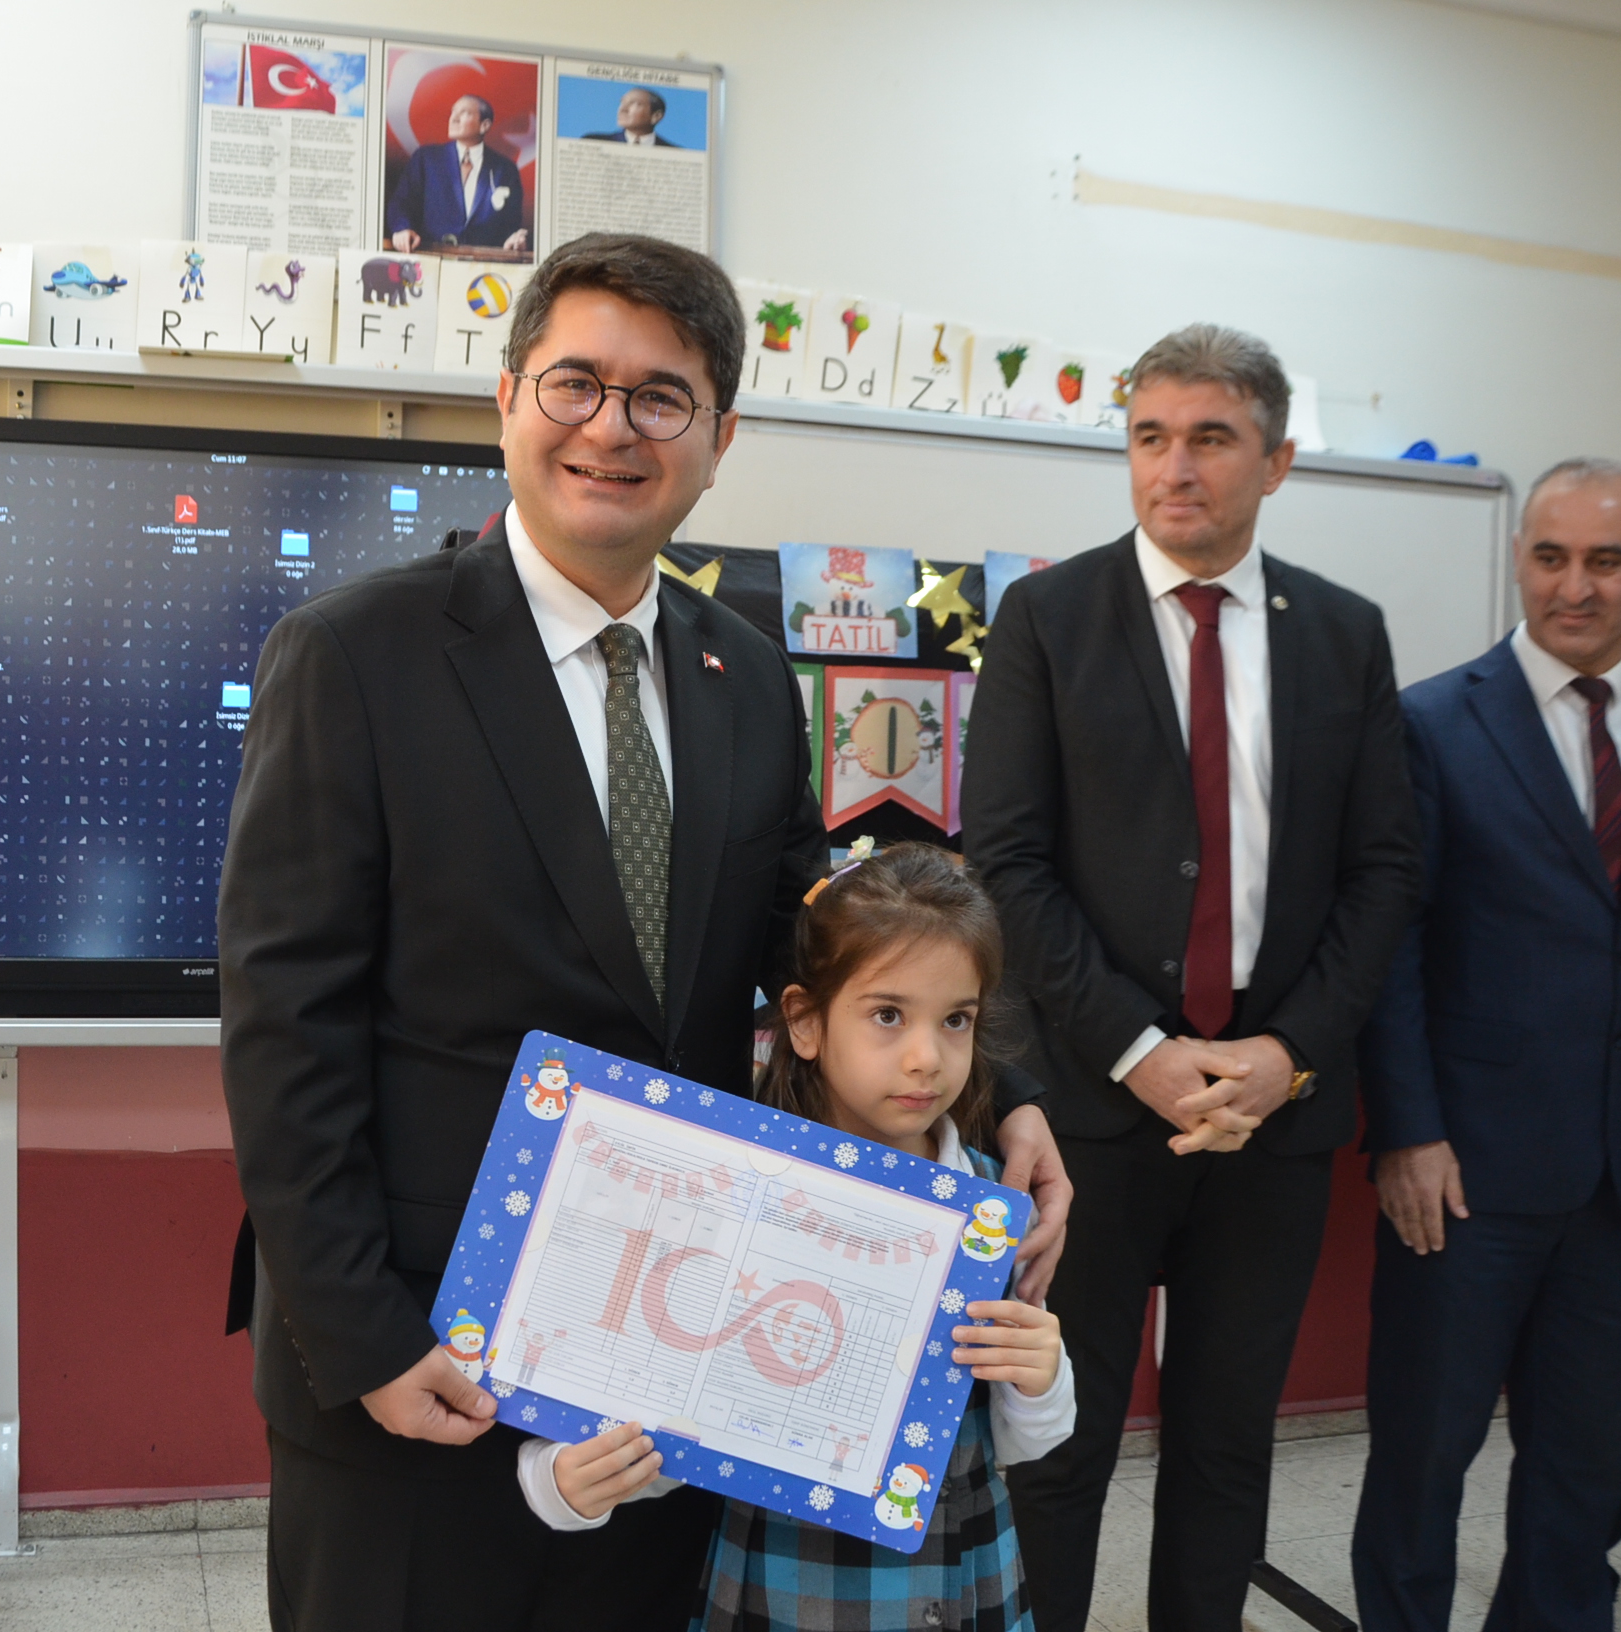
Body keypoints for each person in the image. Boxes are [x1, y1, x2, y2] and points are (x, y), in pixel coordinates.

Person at [218, 232, 1075, 1632]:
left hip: (666, 1350)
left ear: (718, 439)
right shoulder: (356, 655)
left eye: (661, 398)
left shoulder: (745, 674)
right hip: (425, 1345)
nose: (611, 427)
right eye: (575, 383)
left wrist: (1011, 1090)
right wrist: (361, 1335)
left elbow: (823, 936)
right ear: (508, 399)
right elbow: (281, 1025)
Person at [963, 322, 1422, 1632]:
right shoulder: (1049, 618)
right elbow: (1006, 864)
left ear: (1275, 461)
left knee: (1227, 1448)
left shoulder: (1343, 633)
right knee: (1060, 1442)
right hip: (1091, 1116)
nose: (1175, 467)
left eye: (1211, 438)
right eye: (1150, 436)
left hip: (1272, 1123)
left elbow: (1384, 871)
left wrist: (1287, 1056)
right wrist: (1140, 1052)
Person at [1353, 457, 1621, 1632]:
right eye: (1549, 557)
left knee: (1584, 1470)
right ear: (1519, 560)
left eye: (1602, 560)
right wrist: (1407, 1133)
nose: (1573, 586)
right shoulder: (1432, 723)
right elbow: (1391, 953)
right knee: (1422, 1457)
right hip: (1463, 1174)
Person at [518, 842, 1076, 1632]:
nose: (927, 1057)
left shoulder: (988, 1209)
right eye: (888, 1015)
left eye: (956, 1019)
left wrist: (1041, 1377)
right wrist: (562, 1484)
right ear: (806, 1022)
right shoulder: (735, 1200)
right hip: (785, 1591)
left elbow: (1024, 1441)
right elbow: (666, 1421)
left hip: (960, 1578)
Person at [387, 93, 530, 255]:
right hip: (432, 257)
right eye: (453, 112)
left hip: (483, 263)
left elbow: (511, 224)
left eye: (464, 113)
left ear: (484, 125)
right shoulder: (426, 159)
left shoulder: (505, 169)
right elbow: (401, 203)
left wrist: (514, 239)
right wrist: (402, 229)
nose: (454, 118)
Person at [582, 85, 688, 148]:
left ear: (656, 116)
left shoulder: (674, 153)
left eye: (634, 104)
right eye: (622, 102)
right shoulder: (593, 142)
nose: (623, 109)